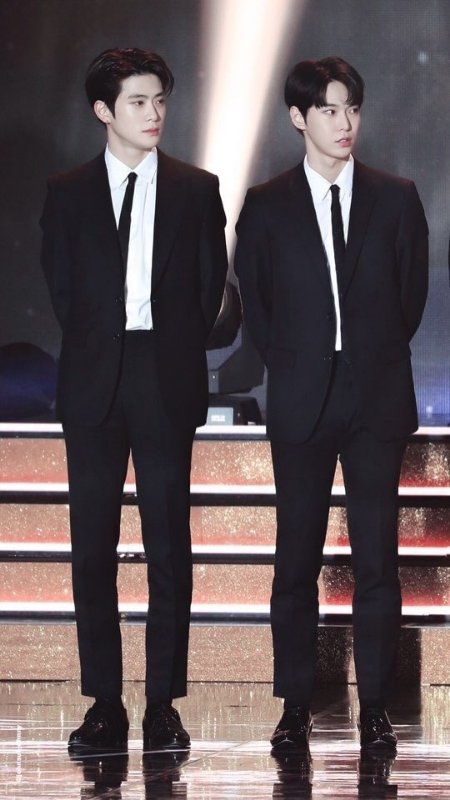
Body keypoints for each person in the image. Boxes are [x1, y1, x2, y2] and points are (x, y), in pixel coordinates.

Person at [235, 56, 428, 752]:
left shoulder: (395, 197)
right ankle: (295, 708)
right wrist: (300, 364)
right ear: (298, 117)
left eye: (352, 108)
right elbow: (259, 307)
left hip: (375, 397)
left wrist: (366, 355)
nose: (345, 123)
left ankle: (375, 708)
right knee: (295, 561)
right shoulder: (266, 204)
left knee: (378, 560)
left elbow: (409, 299)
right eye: (329, 109)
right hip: (301, 399)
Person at [41, 47, 228, 752]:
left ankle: (162, 706)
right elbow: (63, 290)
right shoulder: (68, 192)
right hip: (93, 380)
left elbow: (209, 286)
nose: (154, 114)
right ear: (103, 110)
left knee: (168, 548)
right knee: (91, 548)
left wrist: (166, 349)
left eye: (160, 101)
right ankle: (104, 704)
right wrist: (105, 343)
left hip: (164, 377)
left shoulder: (195, 189)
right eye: (139, 102)